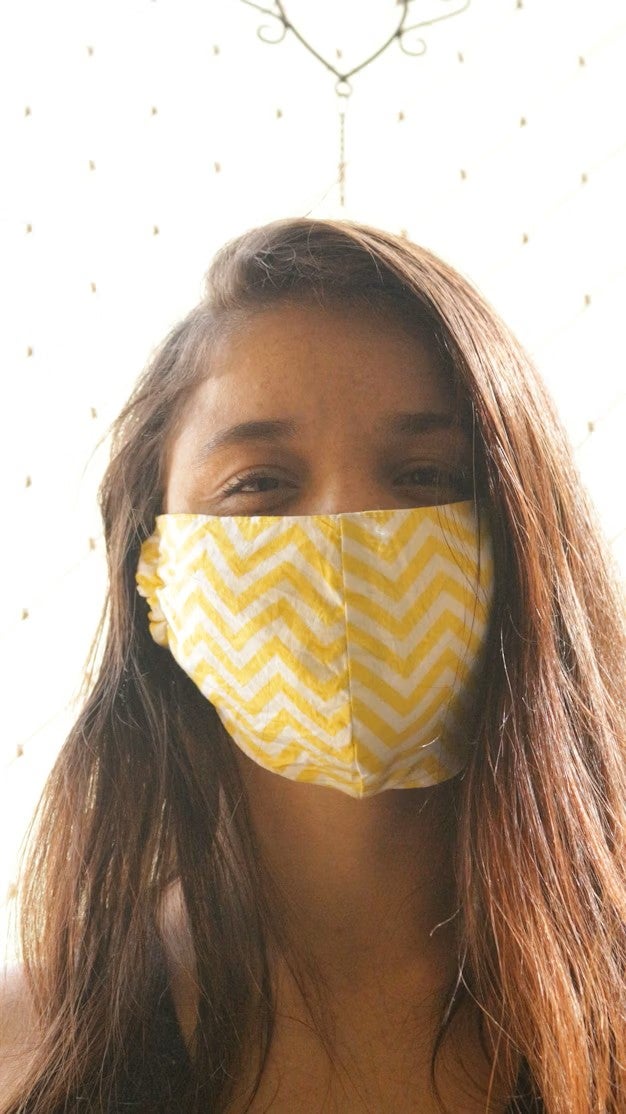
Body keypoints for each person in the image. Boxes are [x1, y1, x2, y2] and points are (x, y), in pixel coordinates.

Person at [1, 217, 625, 1113]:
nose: (343, 529)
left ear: (530, 545)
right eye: (258, 484)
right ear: (154, 571)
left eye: (428, 476)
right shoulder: (27, 1050)